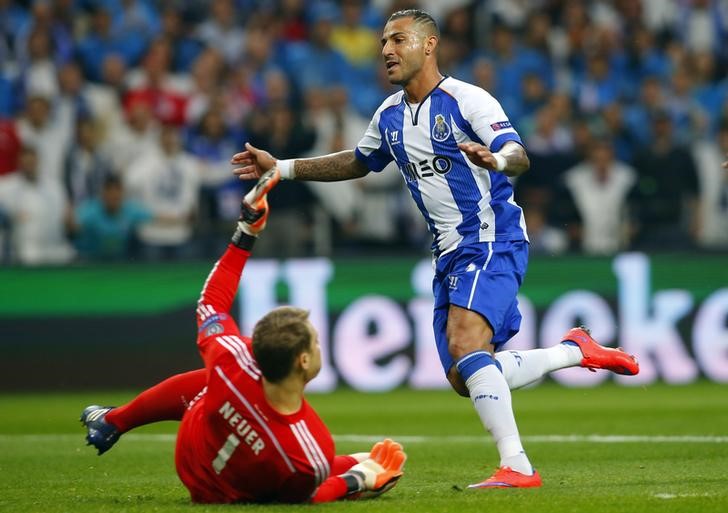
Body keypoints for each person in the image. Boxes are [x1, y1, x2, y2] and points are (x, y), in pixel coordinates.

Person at [230, 9, 640, 489]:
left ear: (429, 45)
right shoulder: (389, 115)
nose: (386, 50)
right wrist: (282, 166)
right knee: (465, 374)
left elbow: (518, 153)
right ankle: (575, 350)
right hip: (446, 251)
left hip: (490, 237)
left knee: (467, 345)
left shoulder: (469, 100)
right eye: (383, 41)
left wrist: (497, 158)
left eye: (397, 40)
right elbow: (359, 162)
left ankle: (518, 467)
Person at [80, 168, 406, 503]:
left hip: (192, 457)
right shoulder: (310, 444)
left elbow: (211, 303)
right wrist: (357, 478)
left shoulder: (234, 359)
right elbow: (307, 493)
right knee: (297, 466)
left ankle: (114, 421)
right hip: (226, 493)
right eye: (316, 341)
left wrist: (246, 232)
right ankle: (113, 419)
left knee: (211, 380)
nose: (321, 345)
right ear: (303, 360)